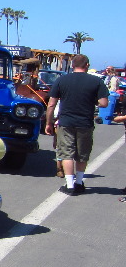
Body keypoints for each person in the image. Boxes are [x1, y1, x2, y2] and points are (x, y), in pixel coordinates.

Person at [45, 54, 109, 195]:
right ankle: (79, 182)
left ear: (72, 65)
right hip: (85, 122)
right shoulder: (96, 81)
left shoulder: (62, 80)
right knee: (82, 154)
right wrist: (92, 100)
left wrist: (48, 123)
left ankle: (69, 185)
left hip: (66, 122)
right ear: (87, 65)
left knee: (67, 153)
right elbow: (104, 103)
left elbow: (51, 104)